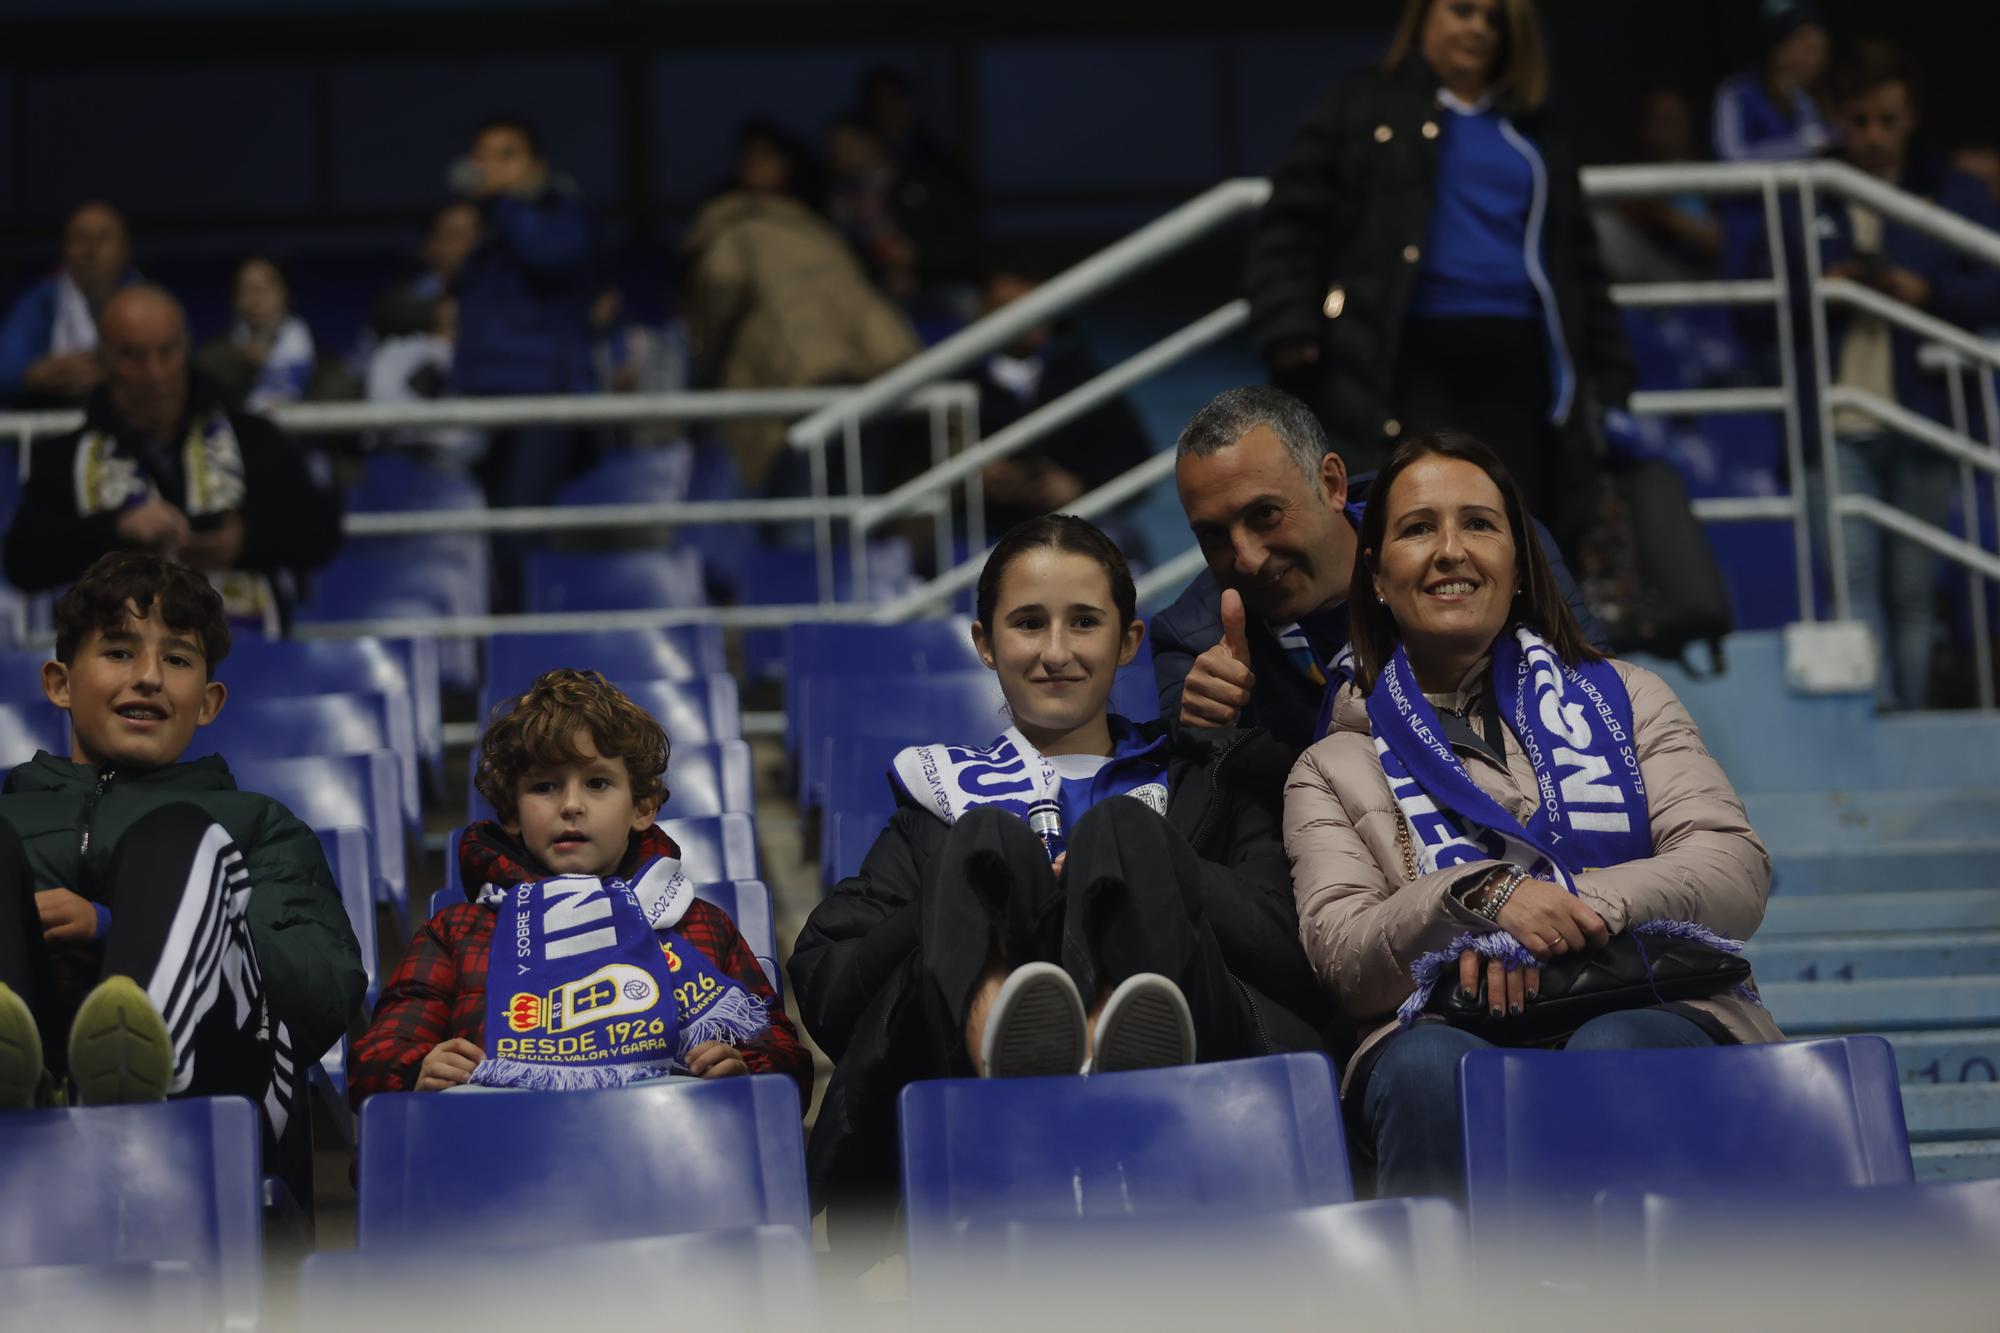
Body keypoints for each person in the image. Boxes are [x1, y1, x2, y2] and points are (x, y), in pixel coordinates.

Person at [791, 514, 1330, 1254]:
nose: (1055, 652)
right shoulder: (943, 803)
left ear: (1129, 640)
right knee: (989, 844)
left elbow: (1295, 963)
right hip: (979, 1135)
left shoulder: (1204, 777)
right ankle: (1000, 1039)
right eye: (1027, 623)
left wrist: (1150, 868)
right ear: (985, 643)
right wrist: (968, 902)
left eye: (1083, 622)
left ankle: (1125, 1039)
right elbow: (830, 985)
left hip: (1197, 1108)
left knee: (1122, 832)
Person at [1283, 430, 1781, 1199]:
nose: (1451, 549)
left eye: (1479, 524)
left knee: (1611, 1049)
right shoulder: (1329, 765)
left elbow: (1734, 868)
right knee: (1425, 1069)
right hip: (1447, 1025)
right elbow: (1345, 955)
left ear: (1518, 565)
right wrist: (1481, 901)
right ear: (1375, 572)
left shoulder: (1628, 695)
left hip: (1650, 1002)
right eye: (1419, 529)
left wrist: (1570, 911)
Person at [0, 553, 365, 1184]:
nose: (148, 677)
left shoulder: (256, 823)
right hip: (29, 1086)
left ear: (208, 701)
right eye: (118, 652)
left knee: (178, 836)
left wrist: (119, 930)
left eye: (177, 659)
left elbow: (321, 989)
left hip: (216, 1092)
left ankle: (131, 1062)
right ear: (59, 683)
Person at [1243, 0, 1632, 552]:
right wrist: (1289, 327)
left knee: (1513, 530)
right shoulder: (1362, 103)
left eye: (1493, 18)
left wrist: (1613, 379)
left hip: (1520, 361)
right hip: (1403, 354)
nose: (1477, 27)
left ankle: (1518, 642)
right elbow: (1289, 223)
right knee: (1410, 518)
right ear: (1423, 17)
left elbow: (1580, 267)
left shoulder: (1536, 128)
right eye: (1462, 10)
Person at [351, 669, 810, 1103]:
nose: (571, 805)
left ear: (642, 808)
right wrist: (417, 1070)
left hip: (669, 1159)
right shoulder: (457, 931)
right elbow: (376, 1056)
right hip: (495, 1160)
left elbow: (783, 1056)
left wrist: (745, 1069)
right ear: (511, 814)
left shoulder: (699, 924)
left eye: (597, 783)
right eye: (545, 787)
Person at [1153, 385, 1603, 759]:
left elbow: (1602, 697)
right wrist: (1207, 730)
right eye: (1213, 535)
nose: (1246, 557)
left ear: (1330, 483)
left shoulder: (1485, 551)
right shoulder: (1194, 644)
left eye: (1266, 514)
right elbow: (1203, 803)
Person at [1803, 43, 2000, 710]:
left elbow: (1992, 289)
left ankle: (1906, 726)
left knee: (1912, 593)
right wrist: (1819, 287)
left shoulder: (1954, 191)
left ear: (1911, 117)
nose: (1873, 137)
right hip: (1835, 423)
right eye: (1858, 121)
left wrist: (1929, 291)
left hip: (1923, 420)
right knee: (1854, 590)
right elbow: (1747, 304)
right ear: (1835, 118)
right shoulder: (1802, 189)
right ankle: (1874, 736)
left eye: (1888, 120)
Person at [3, 287, 342, 636]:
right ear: (103, 359)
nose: (155, 372)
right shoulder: (65, 457)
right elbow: (23, 562)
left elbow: (321, 530)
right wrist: (116, 531)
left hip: (248, 666)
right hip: (119, 670)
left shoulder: (253, 439)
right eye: (134, 355)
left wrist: (244, 541)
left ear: (186, 348)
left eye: (167, 352)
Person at [681, 119, 919, 491]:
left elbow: (718, 293)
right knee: (849, 500)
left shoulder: (734, 225)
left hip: (801, 366)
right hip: (872, 359)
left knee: (812, 513)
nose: (756, 167)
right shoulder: (813, 224)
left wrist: (705, 362)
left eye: (765, 159)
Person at [449, 116, 596, 523]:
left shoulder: (561, 213)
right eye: (483, 156)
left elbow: (547, 256)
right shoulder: (482, 226)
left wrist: (503, 202)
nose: (491, 167)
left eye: (507, 156)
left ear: (536, 165)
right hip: (484, 398)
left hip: (541, 399)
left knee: (522, 529)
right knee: (491, 530)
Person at [975, 258, 1153, 548]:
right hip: (982, 528)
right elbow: (918, 470)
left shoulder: (1082, 376)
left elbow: (1134, 458)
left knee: (1122, 544)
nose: (1022, 320)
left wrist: (1079, 485)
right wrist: (974, 482)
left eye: (1034, 306)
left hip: (1074, 523)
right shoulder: (959, 384)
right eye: (1007, 308)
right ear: (984, 311)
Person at [0, 202, 137, 407]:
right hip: (55, 424)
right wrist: (32, 377)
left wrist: (112, 373)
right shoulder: (40, 303)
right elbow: (5, 368)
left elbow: (177, 369)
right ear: (65, 250)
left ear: (125, 250)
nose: (90, 250)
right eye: (80, 238)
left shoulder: (148, 302)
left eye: (103, 238)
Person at [1594, 88, 1724, 284]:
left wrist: (1664, 215)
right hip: (1645, 275)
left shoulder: (1711, 175)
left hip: (1696, 276)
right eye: (1660, 120)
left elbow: (1721, 244)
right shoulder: (1630, 176)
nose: (1668, 130)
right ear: (1644, 127)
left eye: (1674, 120)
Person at [197, 255, 318, 413]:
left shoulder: (314, 351)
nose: (255, 299)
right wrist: (243, 365)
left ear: (285, 292)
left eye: (263, 289)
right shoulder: (214, 356)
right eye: (247, 289)